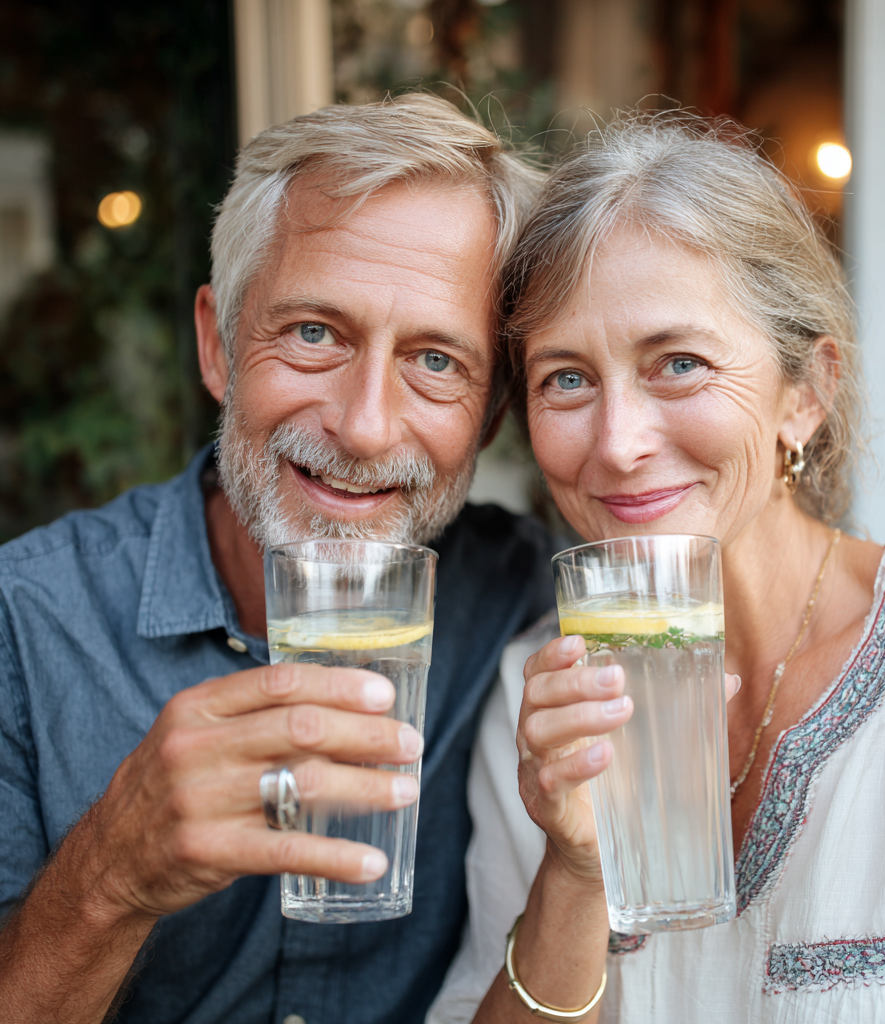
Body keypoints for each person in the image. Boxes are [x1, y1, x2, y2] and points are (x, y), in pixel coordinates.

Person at [427, 116, 885, 1023]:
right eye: (566, 379)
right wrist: (576, 873)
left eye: (679, 363)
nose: (618, 445)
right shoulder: (534, 695)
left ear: (806, 394)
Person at [0, 95, 560, 1024]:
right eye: (313, 334)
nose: (366, 425)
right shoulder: (23, 624)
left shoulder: (525, 602)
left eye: (435, 361)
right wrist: (109, 877)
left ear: (493, 415)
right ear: (218, 346)